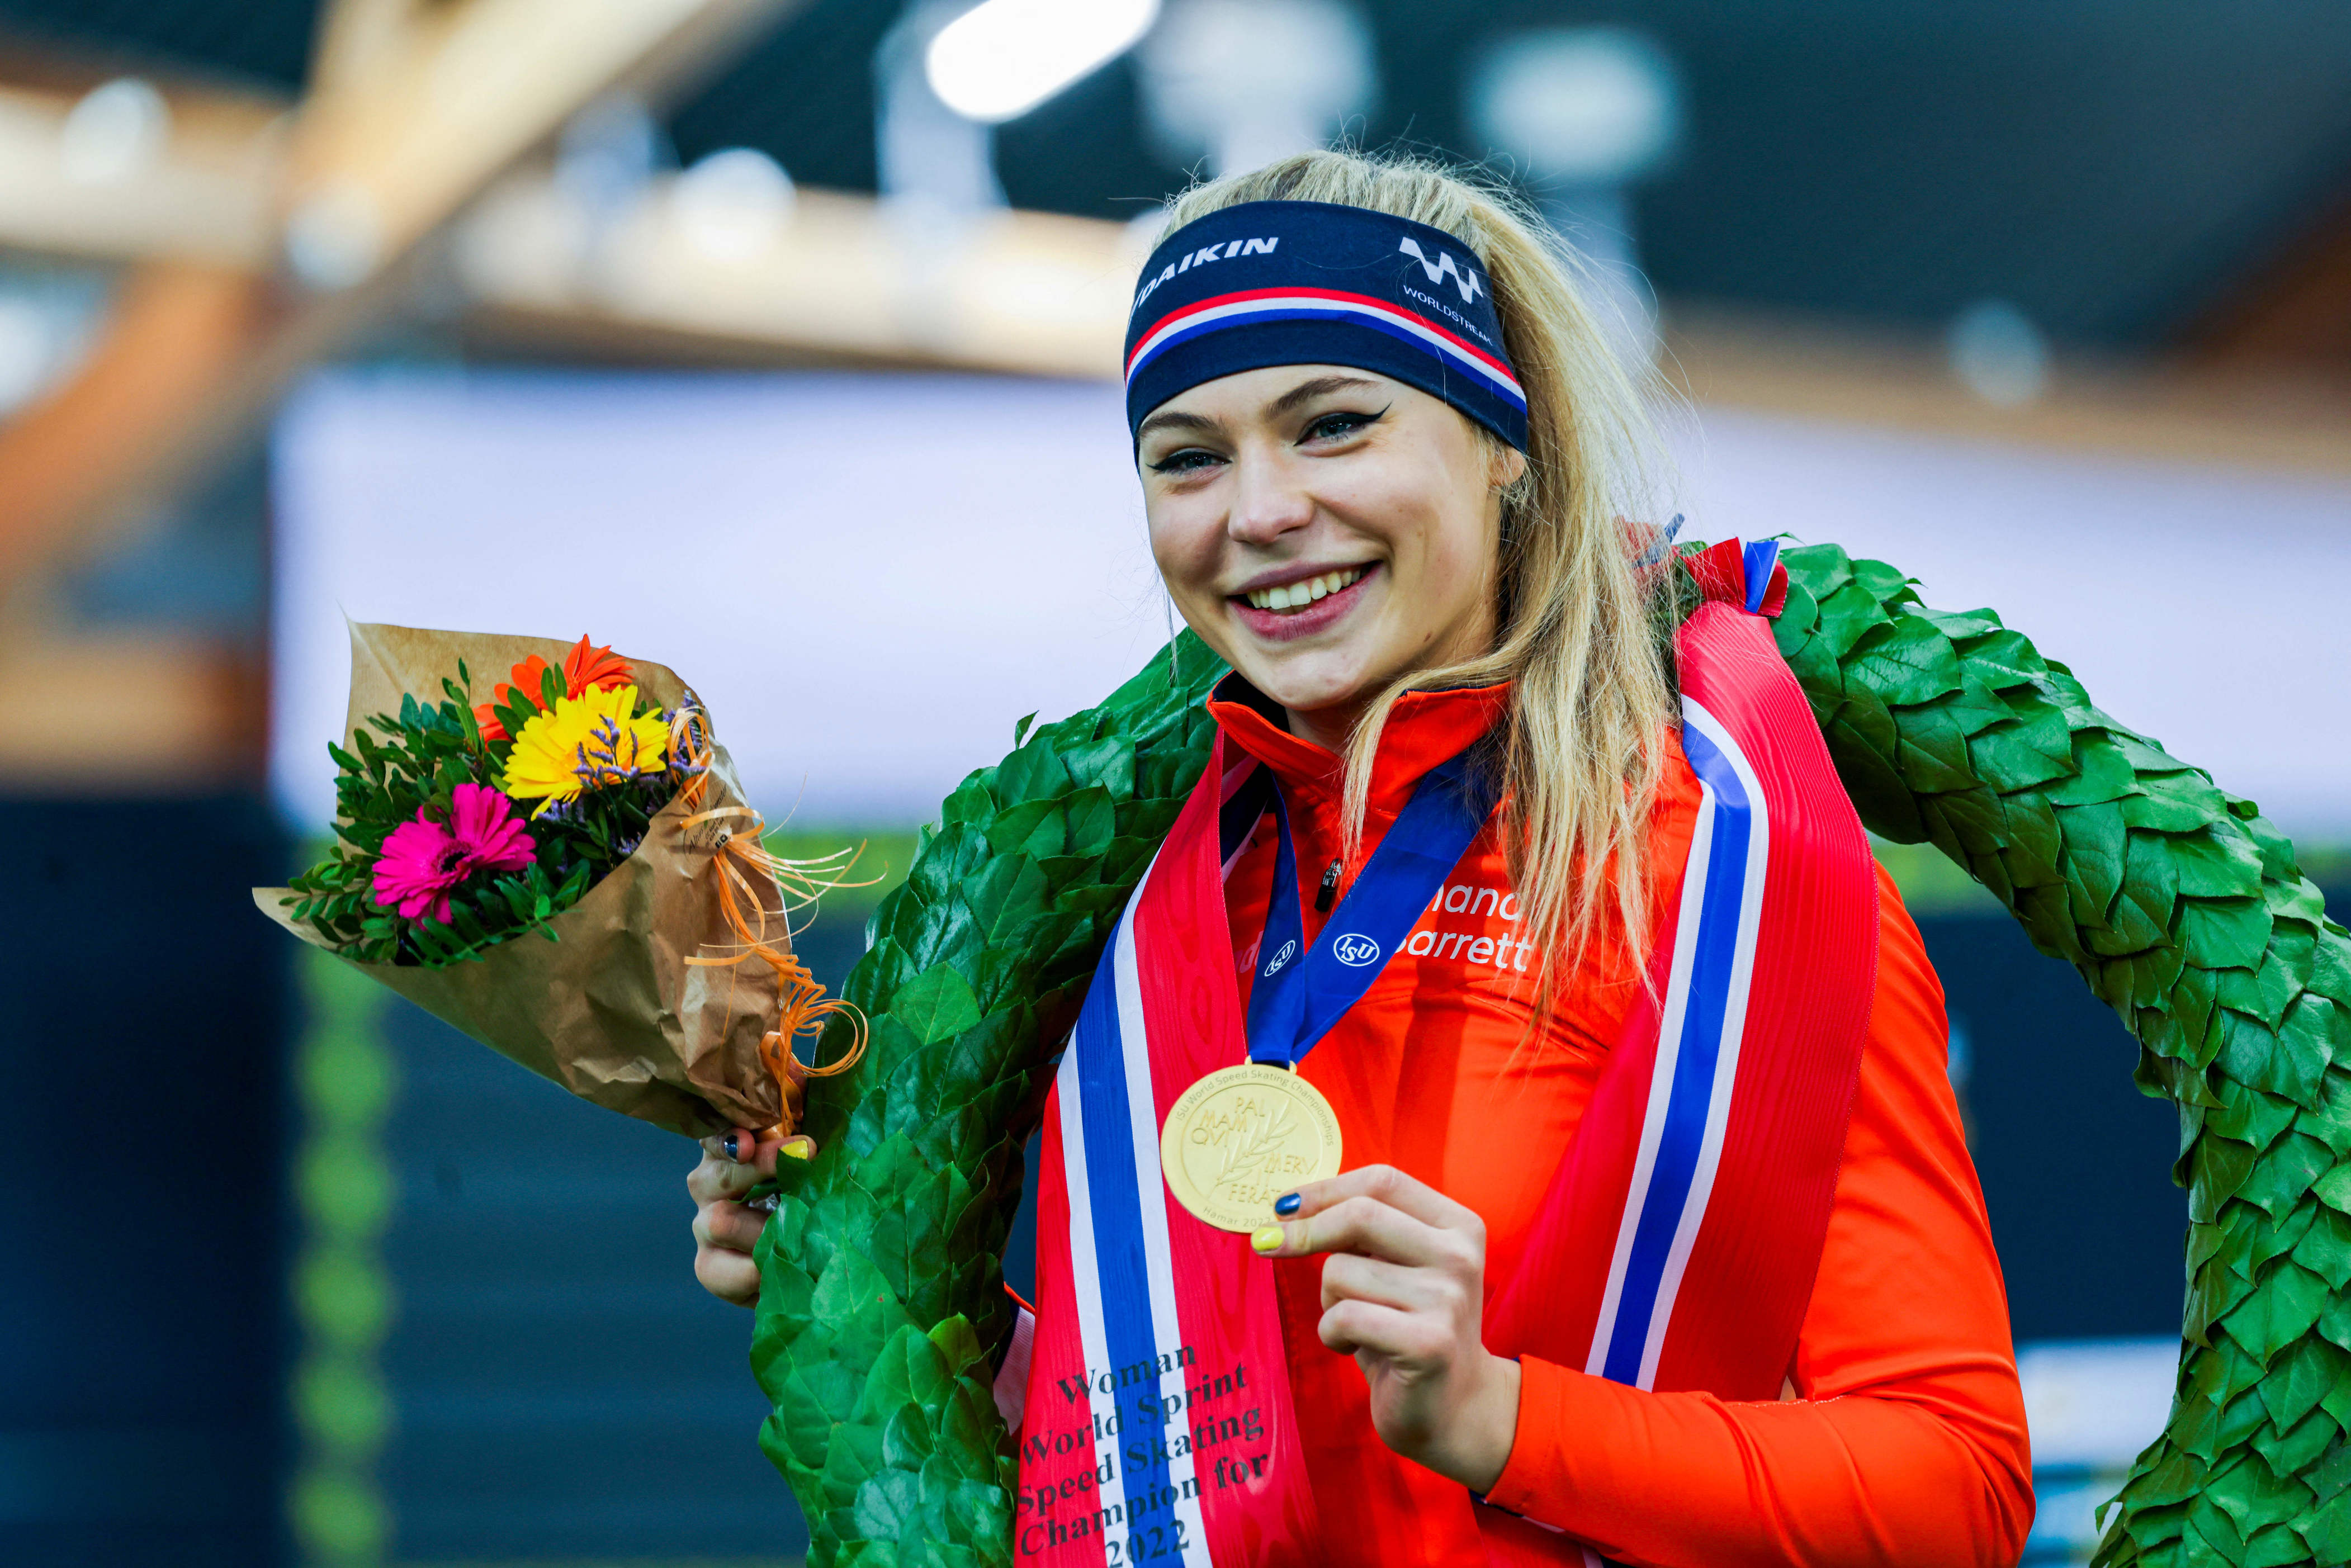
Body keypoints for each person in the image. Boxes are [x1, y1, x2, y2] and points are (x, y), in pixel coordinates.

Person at [689, 149, 2032, 1567]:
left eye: (1333, 425)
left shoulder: (1730, 878)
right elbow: (1229, 1458)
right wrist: (880, 1296)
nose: (1257, 510)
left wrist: (1502, 1414)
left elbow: (1957, 1490)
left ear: (1503, 438)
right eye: (1188, 456)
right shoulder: (1148, 894)